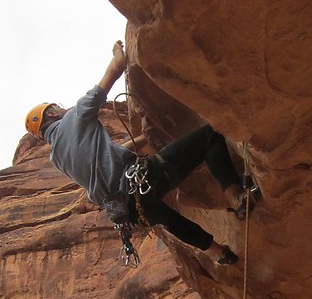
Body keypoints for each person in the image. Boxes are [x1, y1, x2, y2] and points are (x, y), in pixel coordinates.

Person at [25, 41, 259, 264]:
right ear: (52, 113)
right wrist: (118, 52)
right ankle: (236, 197)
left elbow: (108, 159)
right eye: (56, 106)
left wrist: (146, 138)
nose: (61, 107)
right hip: (141, 181)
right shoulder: (75, 116)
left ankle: (219, 252)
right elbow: (115, 69)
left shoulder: (58, 158)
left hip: (130, 211)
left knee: (169, 220)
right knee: (209, 137)